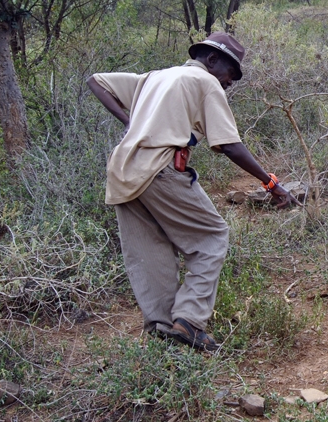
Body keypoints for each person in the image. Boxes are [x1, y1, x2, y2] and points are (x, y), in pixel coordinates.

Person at [87, 32, 294, 352]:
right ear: (212, 60)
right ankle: (189, 320)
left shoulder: (154, 78)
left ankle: (161, 328)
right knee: (211, 237)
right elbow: (229, 145)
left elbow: (97, 81)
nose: (229, 83)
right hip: (161, 169)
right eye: (230, 74)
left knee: (149, 253)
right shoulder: (205, 82)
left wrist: (132, 125)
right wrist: (270, 183)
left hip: (122, 172)